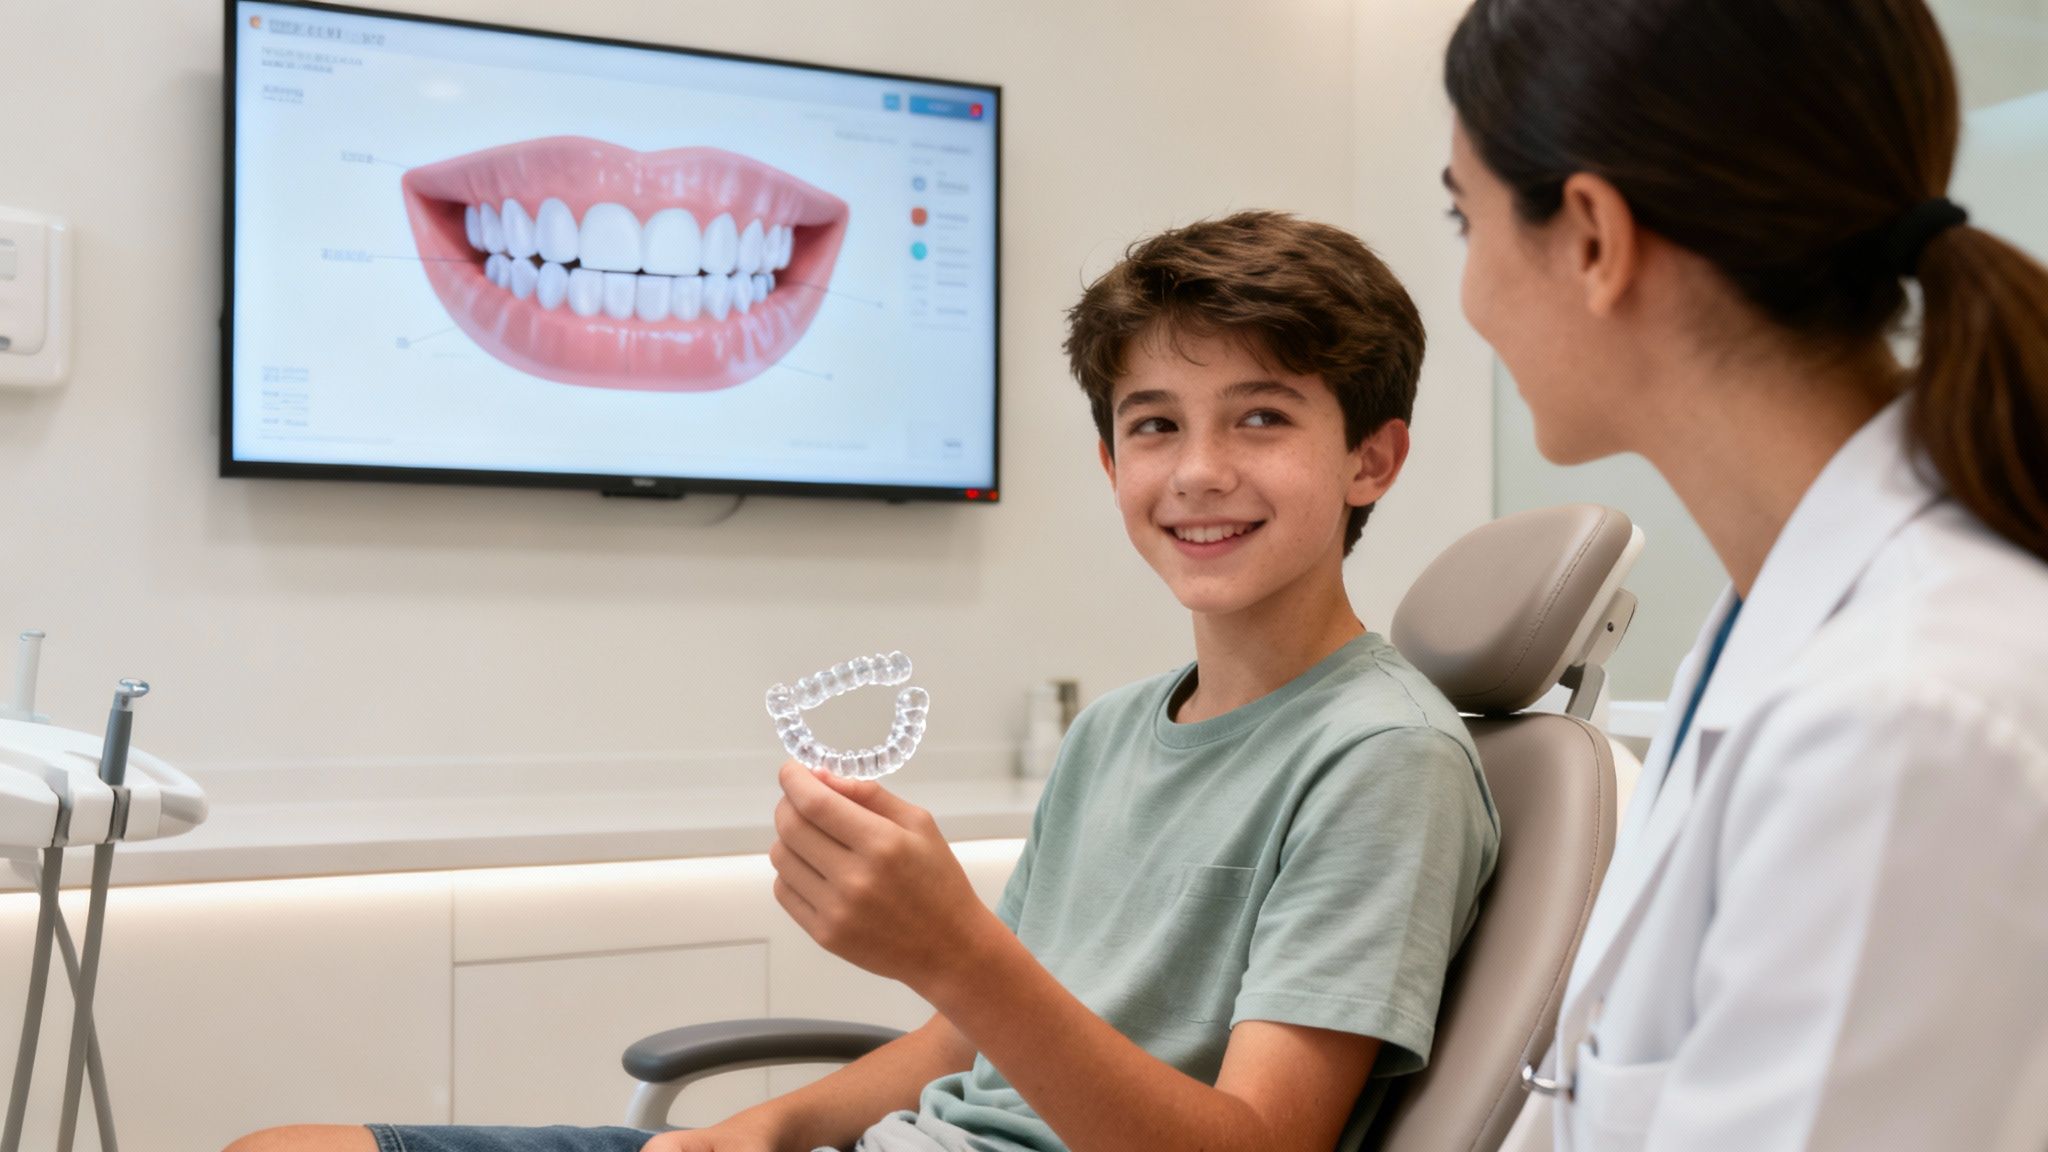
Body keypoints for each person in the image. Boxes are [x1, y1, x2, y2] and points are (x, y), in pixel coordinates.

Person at [226, 211, 1500, 1152]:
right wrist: (754, 1138)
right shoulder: (1119, 730)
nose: (1196, 470)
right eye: (1154, 422)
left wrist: (954, 952)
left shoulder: (1382, 759)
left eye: (1261, 417)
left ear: (1370, 462)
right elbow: (968, 1049)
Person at [1438, 1, 2048, 1148]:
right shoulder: (1768, 637)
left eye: (1460, 215)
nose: (1466, 295)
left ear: (1589, 239)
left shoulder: (1905, 721)